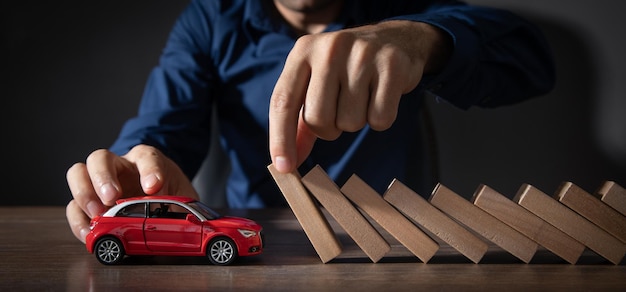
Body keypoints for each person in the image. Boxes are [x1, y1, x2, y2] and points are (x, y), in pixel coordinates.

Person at [66, 0, 555, 242]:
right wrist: (137, 167)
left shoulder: (401, 4)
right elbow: (163, 127)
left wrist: (424, 40)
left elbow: (530, 62)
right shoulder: (213, 16)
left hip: (404, 240)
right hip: (263, 241)